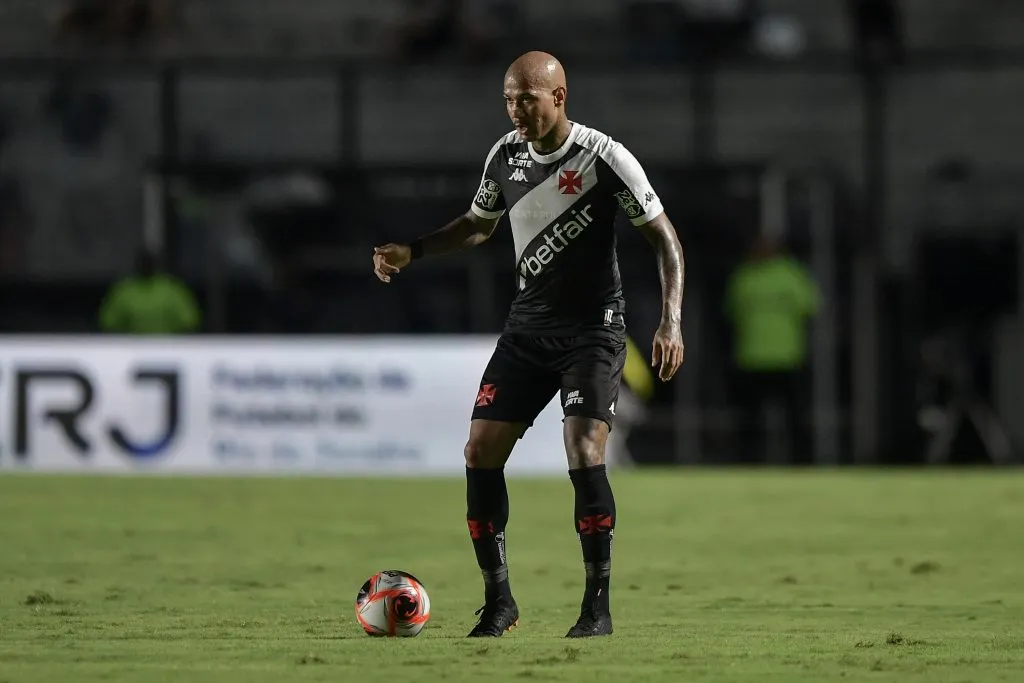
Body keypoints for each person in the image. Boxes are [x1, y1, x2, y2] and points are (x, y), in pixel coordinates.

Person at [373, 51, 685, 638]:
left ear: (560, 97)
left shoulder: (604, 157)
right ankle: (499, 602)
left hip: (594, 328)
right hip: (527, 329)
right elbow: (478, 223)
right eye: (509, 99)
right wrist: (412, 249)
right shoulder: (505, 156)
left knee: (584, 452)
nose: (516, 110)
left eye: (527, 99)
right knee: (478, 452)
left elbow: (665, 240)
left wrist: (669, 320)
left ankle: (596, 607)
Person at [724, 234, 818, 464]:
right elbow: (810, 307)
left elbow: (731, 312)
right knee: (793, 418)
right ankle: (801, 462)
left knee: (752, 420)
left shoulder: (745, 277)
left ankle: (749, 462)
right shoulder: (792, 275)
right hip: (786, 356)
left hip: (753, 356)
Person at [99, 248, 201, 335]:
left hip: (169, 351)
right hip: (132, 352)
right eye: (144, 262)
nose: (146, 265)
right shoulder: (124, 291)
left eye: (149, 262)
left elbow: (190, 324)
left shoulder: (172, 289)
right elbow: (108, 325)